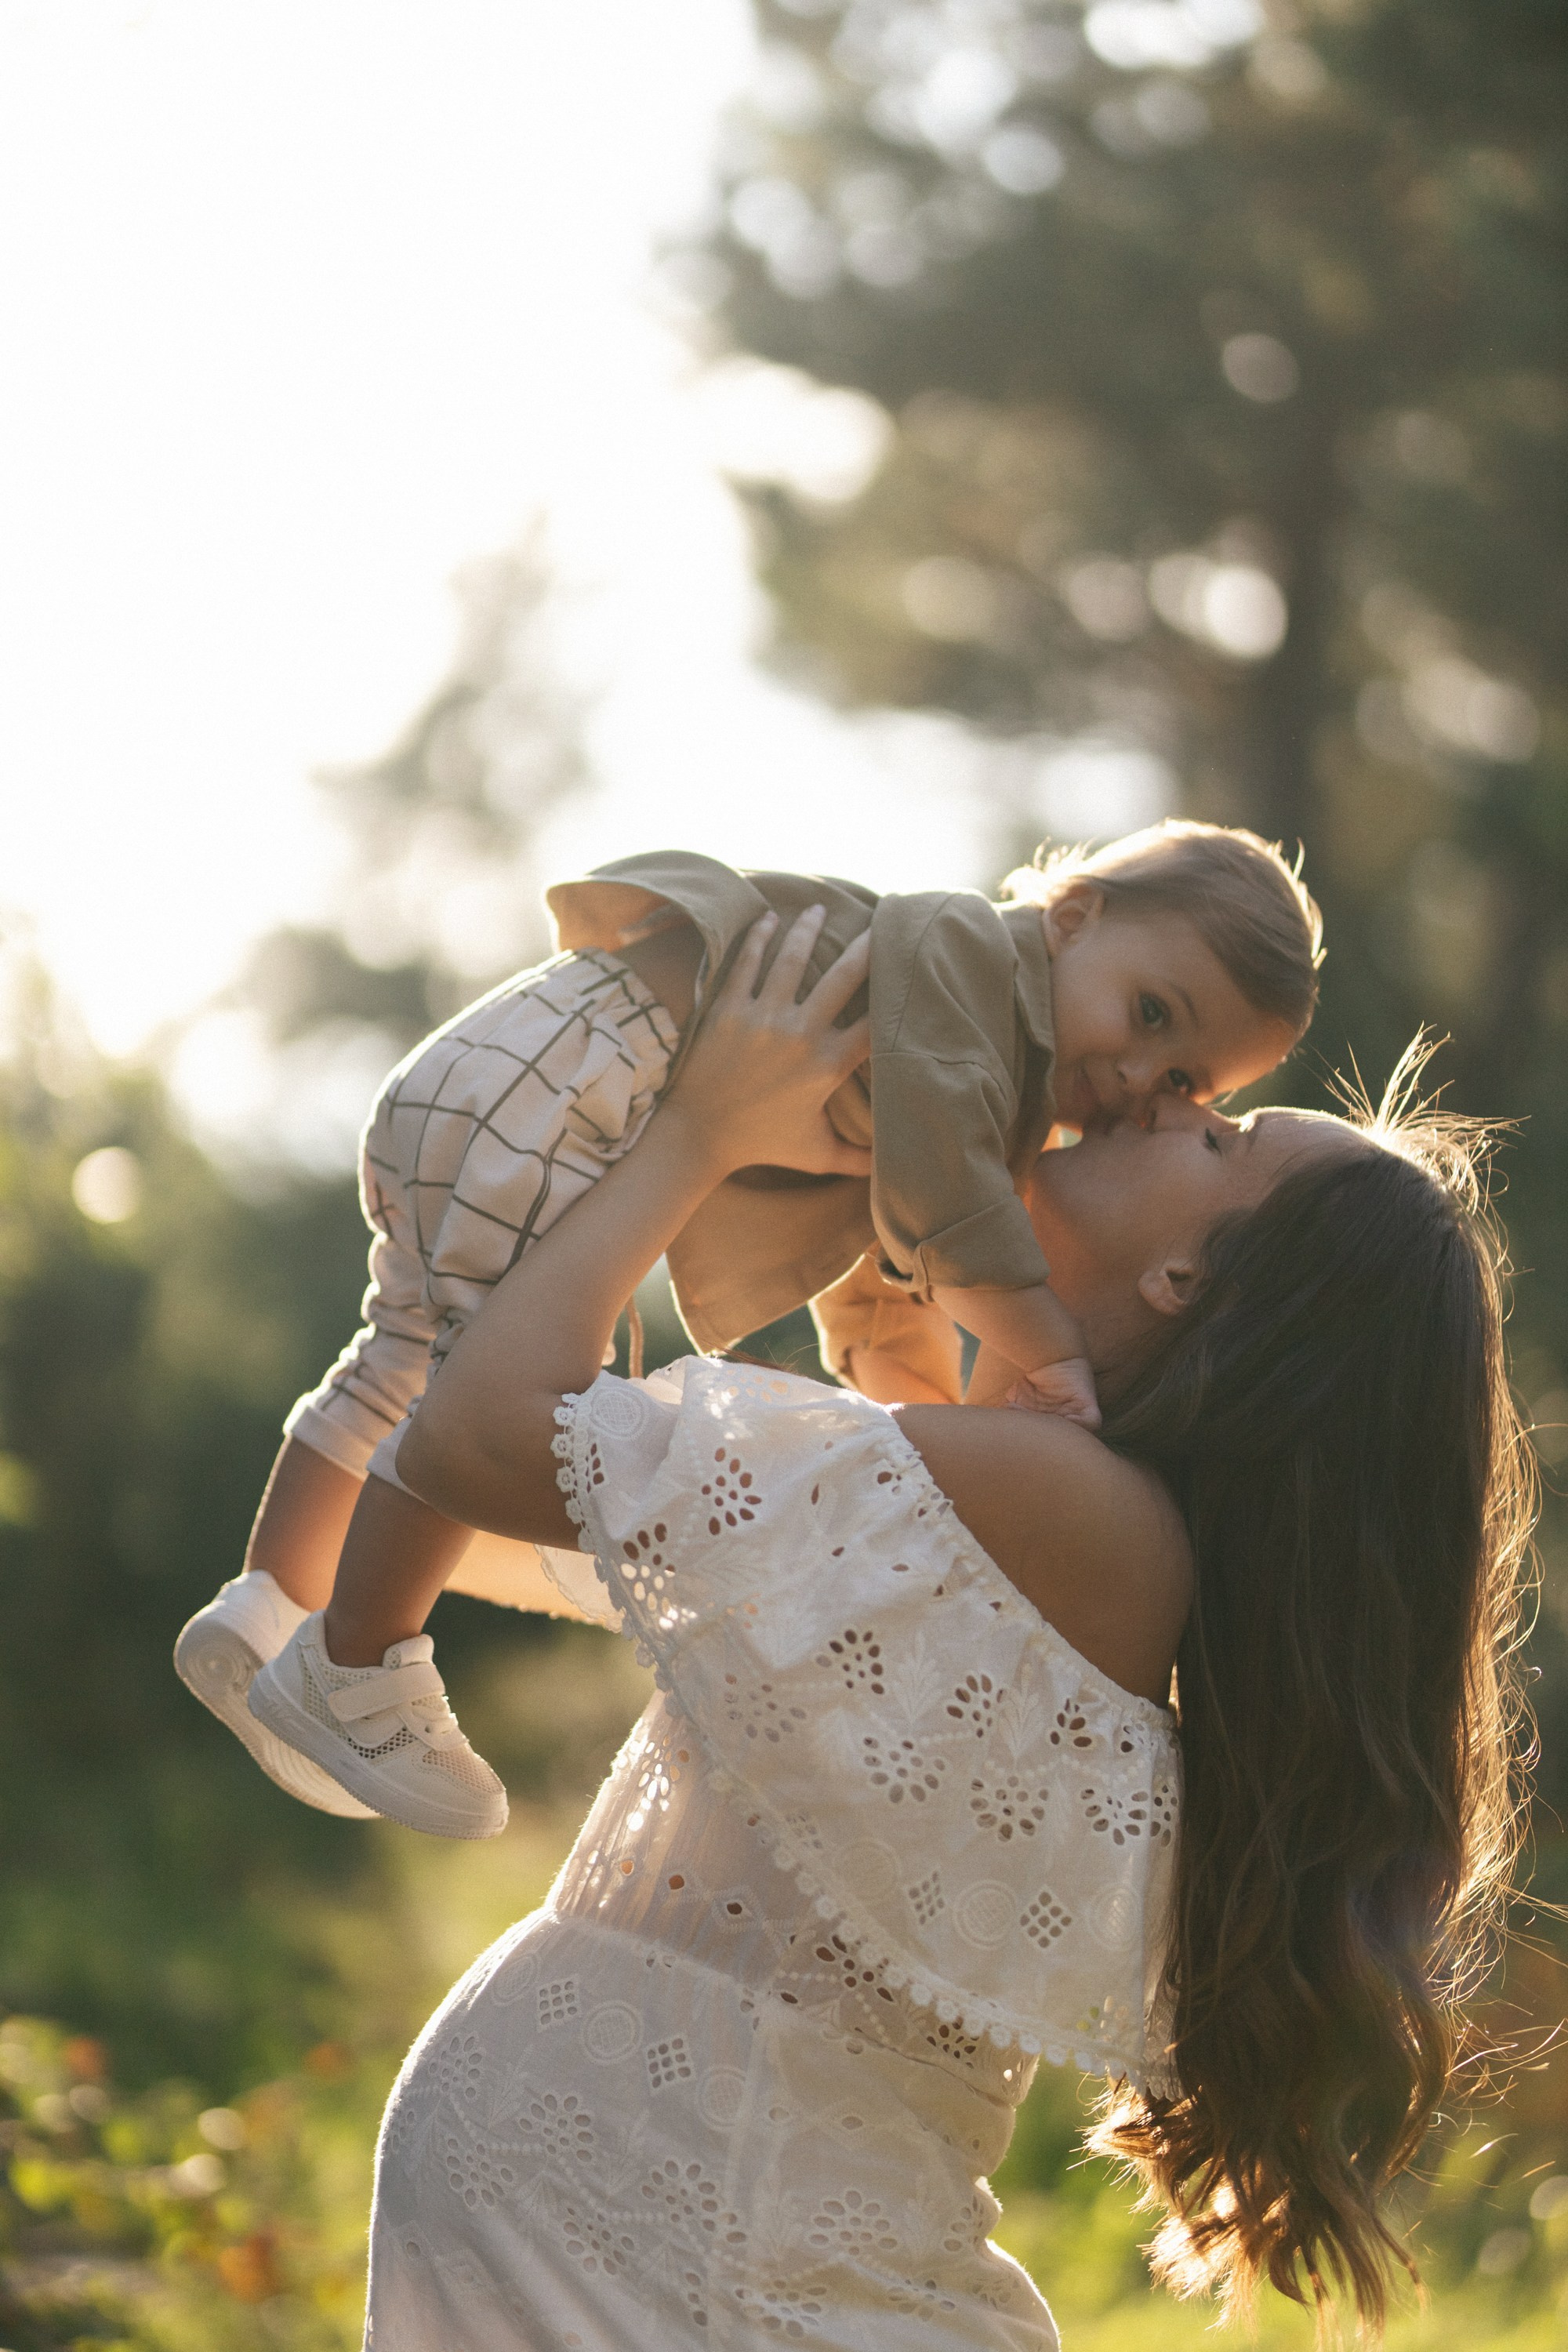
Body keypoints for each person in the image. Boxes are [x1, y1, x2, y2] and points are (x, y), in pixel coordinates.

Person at [358, 910, 1533, 2346]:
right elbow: (520, 1522)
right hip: (672, 2238)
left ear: (1189, 1280)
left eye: (1221, 1139)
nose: (1172, 1102)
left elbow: (476, 1441)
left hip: (711, 2253)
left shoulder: (1067, 1503)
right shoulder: (1061, 1505)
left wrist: (696, 1140)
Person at [175, 823, 1322, 1840]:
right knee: (499, 1374)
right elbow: (940, 1210)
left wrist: (914, 1412)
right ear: (1073, 920)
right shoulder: (975, 971)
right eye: (1150, 1014)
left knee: (409, 1351)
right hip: (582, 1090)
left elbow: (883, 1274)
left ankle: (270, 1607)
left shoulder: (968, 1054)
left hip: (516, 1073)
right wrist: (1048, 1350)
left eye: (1181, 1077)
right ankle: (358, 1666)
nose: (1134, 1078)